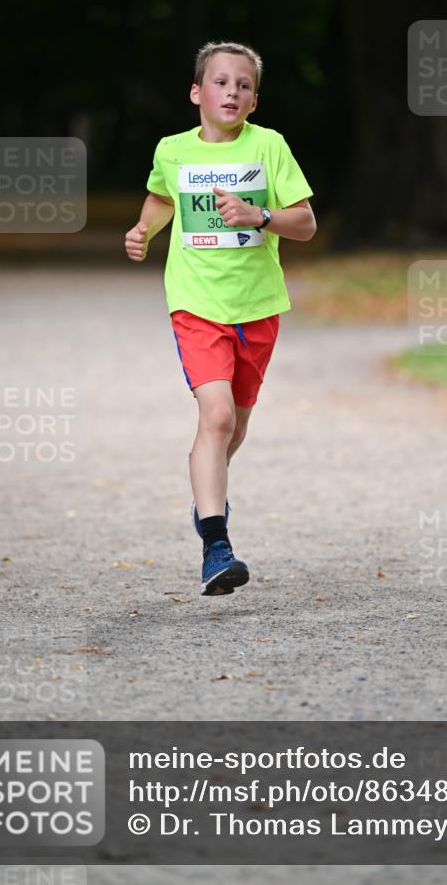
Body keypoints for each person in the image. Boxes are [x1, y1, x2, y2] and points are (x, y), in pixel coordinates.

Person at [125, 41, 316, 595]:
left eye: (244, 85)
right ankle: (216, 544)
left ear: (254, 101)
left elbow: (304, 224)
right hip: (196, 302)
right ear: (196, 92)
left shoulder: (268, 147)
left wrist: (260, 214)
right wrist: (144, 231)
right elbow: (162, 198)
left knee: (234, 426)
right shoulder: (173, 151)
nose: (232, 91)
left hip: (257, 308)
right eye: (220, 81)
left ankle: (207, 489)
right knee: (216, 419)